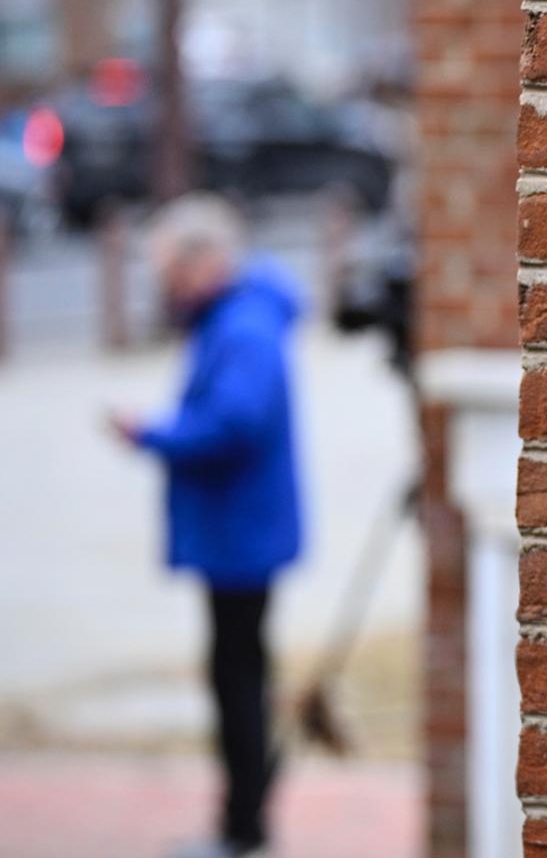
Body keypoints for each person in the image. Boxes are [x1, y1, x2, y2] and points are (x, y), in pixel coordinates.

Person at [110, 194, 304, 858]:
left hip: (240, 535)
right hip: (242, 530)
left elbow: (232, 425)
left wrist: (152, 432)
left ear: (205, 262)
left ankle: (242, 827)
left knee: (237, 681)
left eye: (172, 271)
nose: (168, 287)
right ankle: (242, 817)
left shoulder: (242, 324)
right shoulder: (241, 315)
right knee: (239, 672)